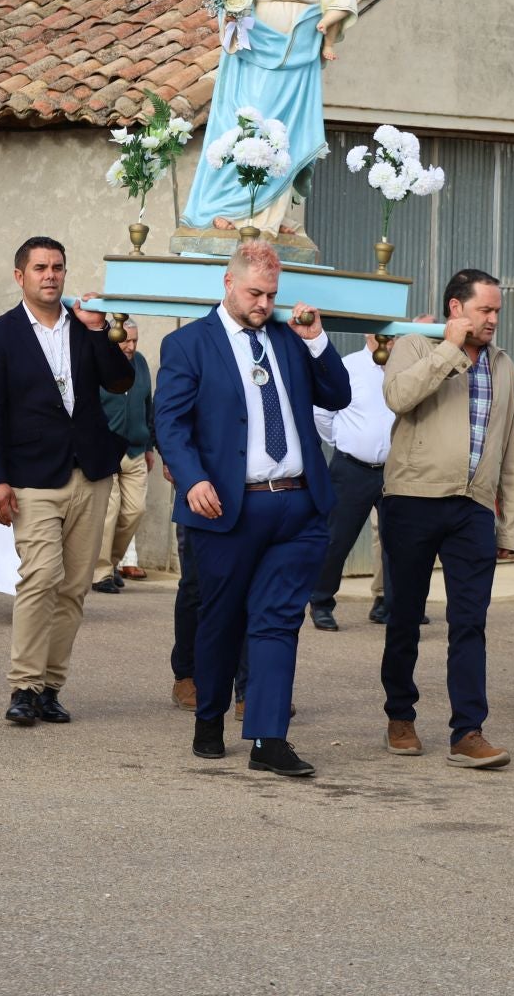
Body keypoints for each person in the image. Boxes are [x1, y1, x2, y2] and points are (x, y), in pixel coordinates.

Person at [154, 239, 348, 776]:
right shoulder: (190, 344)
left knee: (279, 621)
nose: (263, 304)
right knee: (220, 619)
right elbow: (170, 422)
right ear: (228, 284)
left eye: (271, 295)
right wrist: (191, 479)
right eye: (254, 293)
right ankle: (209, 719)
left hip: (298, 505)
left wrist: (317, 341)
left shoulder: (289, 340)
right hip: (226, 509)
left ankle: (267, 739)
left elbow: (337, 395)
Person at [0, 237, 134, 727]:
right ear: (19, 275)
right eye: (40, 267)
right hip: (31, 478)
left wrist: (101, 328)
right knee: (41, 576)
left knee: (74, 587)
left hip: (89, 471)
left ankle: (49, 686)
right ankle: (23, 685)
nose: (50, 275)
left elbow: (119, 381)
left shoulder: (86, 329)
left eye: (58, 267)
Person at [376, 271, 514, 767]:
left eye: (497, 311)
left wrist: (510, 528)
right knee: (405, 615)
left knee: (470, 622)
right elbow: (398, 398)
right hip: (413, 498)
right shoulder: (416, 346)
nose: (494, 320)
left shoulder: (503, 366)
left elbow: (512, 451)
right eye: (485, 310)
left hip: (473, 507)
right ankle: (400, 714)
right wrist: (450, 350)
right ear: (455, 309)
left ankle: (468, 730)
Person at [180, 0, 327, 236]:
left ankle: (270, 217)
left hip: (305, 43)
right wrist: (236, 19)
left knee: (288, 131)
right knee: (252, 121)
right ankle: (234, 208)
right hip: (260, 43)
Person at [310, 331, 395, 629]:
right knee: (337, 539)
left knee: (397, 543)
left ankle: (389, 604)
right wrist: (343, 441)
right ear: (366, 333)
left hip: (394, 472)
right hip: (352, 469)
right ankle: (321, 602)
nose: (386, 338)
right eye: (379, 331)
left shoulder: (402, 368)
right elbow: (321, 412)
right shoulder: (349, 366)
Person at [90, 320, 154, 595]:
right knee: (109, 511)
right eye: (126, 341)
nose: (131, 346)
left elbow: (147, 404)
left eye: (135, 341)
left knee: (134, 511)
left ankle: (109, 563)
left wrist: (149, 445)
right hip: (106, 448)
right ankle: (101, 572)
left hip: (136, 449)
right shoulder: (100, 362)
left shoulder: (140, 363)